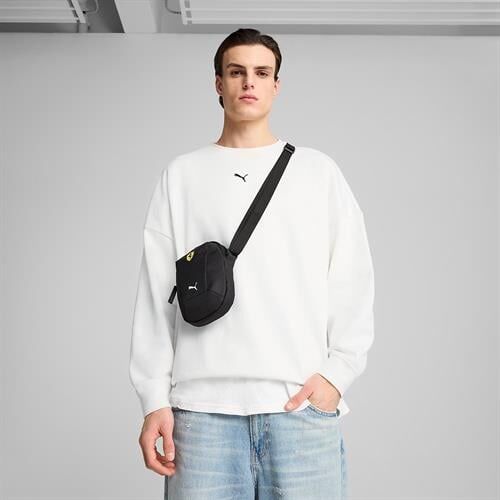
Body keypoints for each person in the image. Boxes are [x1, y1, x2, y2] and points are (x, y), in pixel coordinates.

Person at [129, 28, 375, 500]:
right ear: (218, 83)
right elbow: (157, 294)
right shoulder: (182, 174)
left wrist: (336, 377)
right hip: (201, 414)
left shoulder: (317, 171)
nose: (249, 82)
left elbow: (352, 279)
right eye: (236, 72)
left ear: (276, 85)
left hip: (298, 407)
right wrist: (153, 399)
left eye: (261, 73)